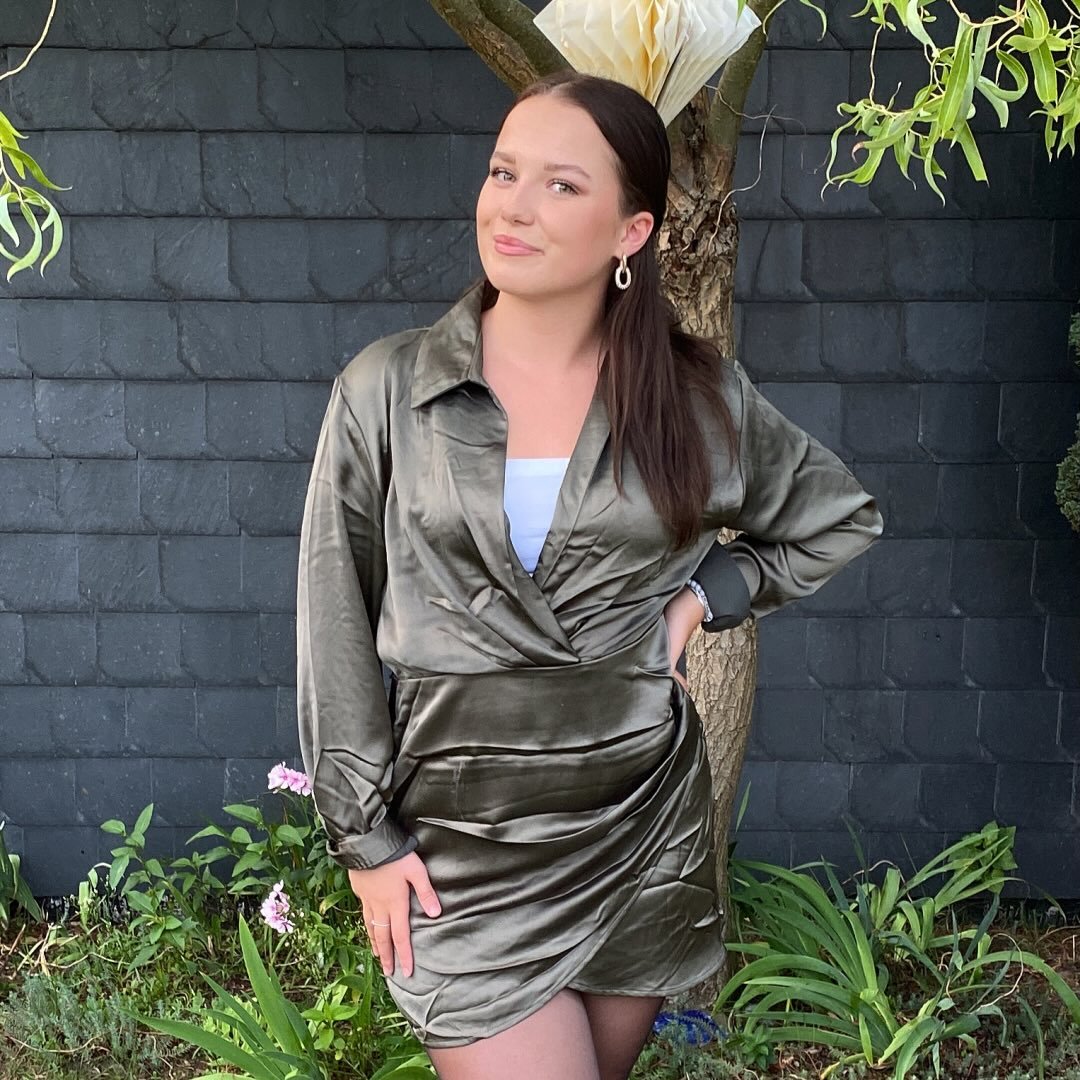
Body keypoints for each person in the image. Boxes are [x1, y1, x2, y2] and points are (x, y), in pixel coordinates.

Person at [296, 69, 884, 1080]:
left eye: (561, 185)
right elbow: (333, 615)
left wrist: (700, 601)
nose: (513, 206)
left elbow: (836, 518)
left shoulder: (696, 399)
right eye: (502, 172)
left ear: (631, 231)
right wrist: (366, 840)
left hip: (634, 826)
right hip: (460, 847)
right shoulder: (388, 389)